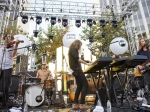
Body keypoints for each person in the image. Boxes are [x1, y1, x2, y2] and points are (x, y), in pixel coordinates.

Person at [0, 33, 23, 108]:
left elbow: (13, 55)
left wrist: (16, 44)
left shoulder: (13, 46)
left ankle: (5, 102)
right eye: (7, 36)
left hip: (7, 68)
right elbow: (7, 44)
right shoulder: (2, 44)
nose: (8, 37)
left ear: (12, 38)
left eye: (10, 36)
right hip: (0, 66)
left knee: (5, 86)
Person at [68, 40, 92, 110]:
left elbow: (78, 59)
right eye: (80, 46)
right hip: (77, 70)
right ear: (78, 45)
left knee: (79, 86)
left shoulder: (72, 50)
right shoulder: (73, 49)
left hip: (75, 70)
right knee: (85, 84)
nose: (80, 47)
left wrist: (88, 61)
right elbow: (77, 59)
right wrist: (86, 64)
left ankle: (75, 103)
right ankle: (82, 103)